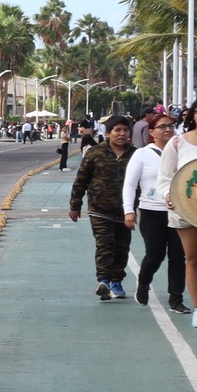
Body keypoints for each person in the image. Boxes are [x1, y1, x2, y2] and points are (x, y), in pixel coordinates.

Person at [160, 96, 197, 326]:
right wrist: (169, 196)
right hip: (186, 207)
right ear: (192, 115)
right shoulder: (177, 143)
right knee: (194, 258)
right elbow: (164, 179)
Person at [125, 111, 187, 312]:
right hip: (152, 212)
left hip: (179, 212)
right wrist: (129, 210)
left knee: (178, 256)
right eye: (163, 126)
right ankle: (143, 282)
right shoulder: (142, 154)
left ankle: (176, 298)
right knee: (155, 254)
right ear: (152, 132)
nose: (168, 129)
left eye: (171, 125)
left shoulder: (182, 151)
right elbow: (130, 184)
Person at [71, 115, 135, 301]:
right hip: (99, 209)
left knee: (122, 247)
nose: (122, 134)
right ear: (107, 133)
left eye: (125, 130)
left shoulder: (135, 154)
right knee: (105, 245)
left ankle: (117, 281)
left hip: (125, 211)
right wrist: (75, 206)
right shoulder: (95, 153)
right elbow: (81, 180)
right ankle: (104, 281)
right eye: (117, 130)